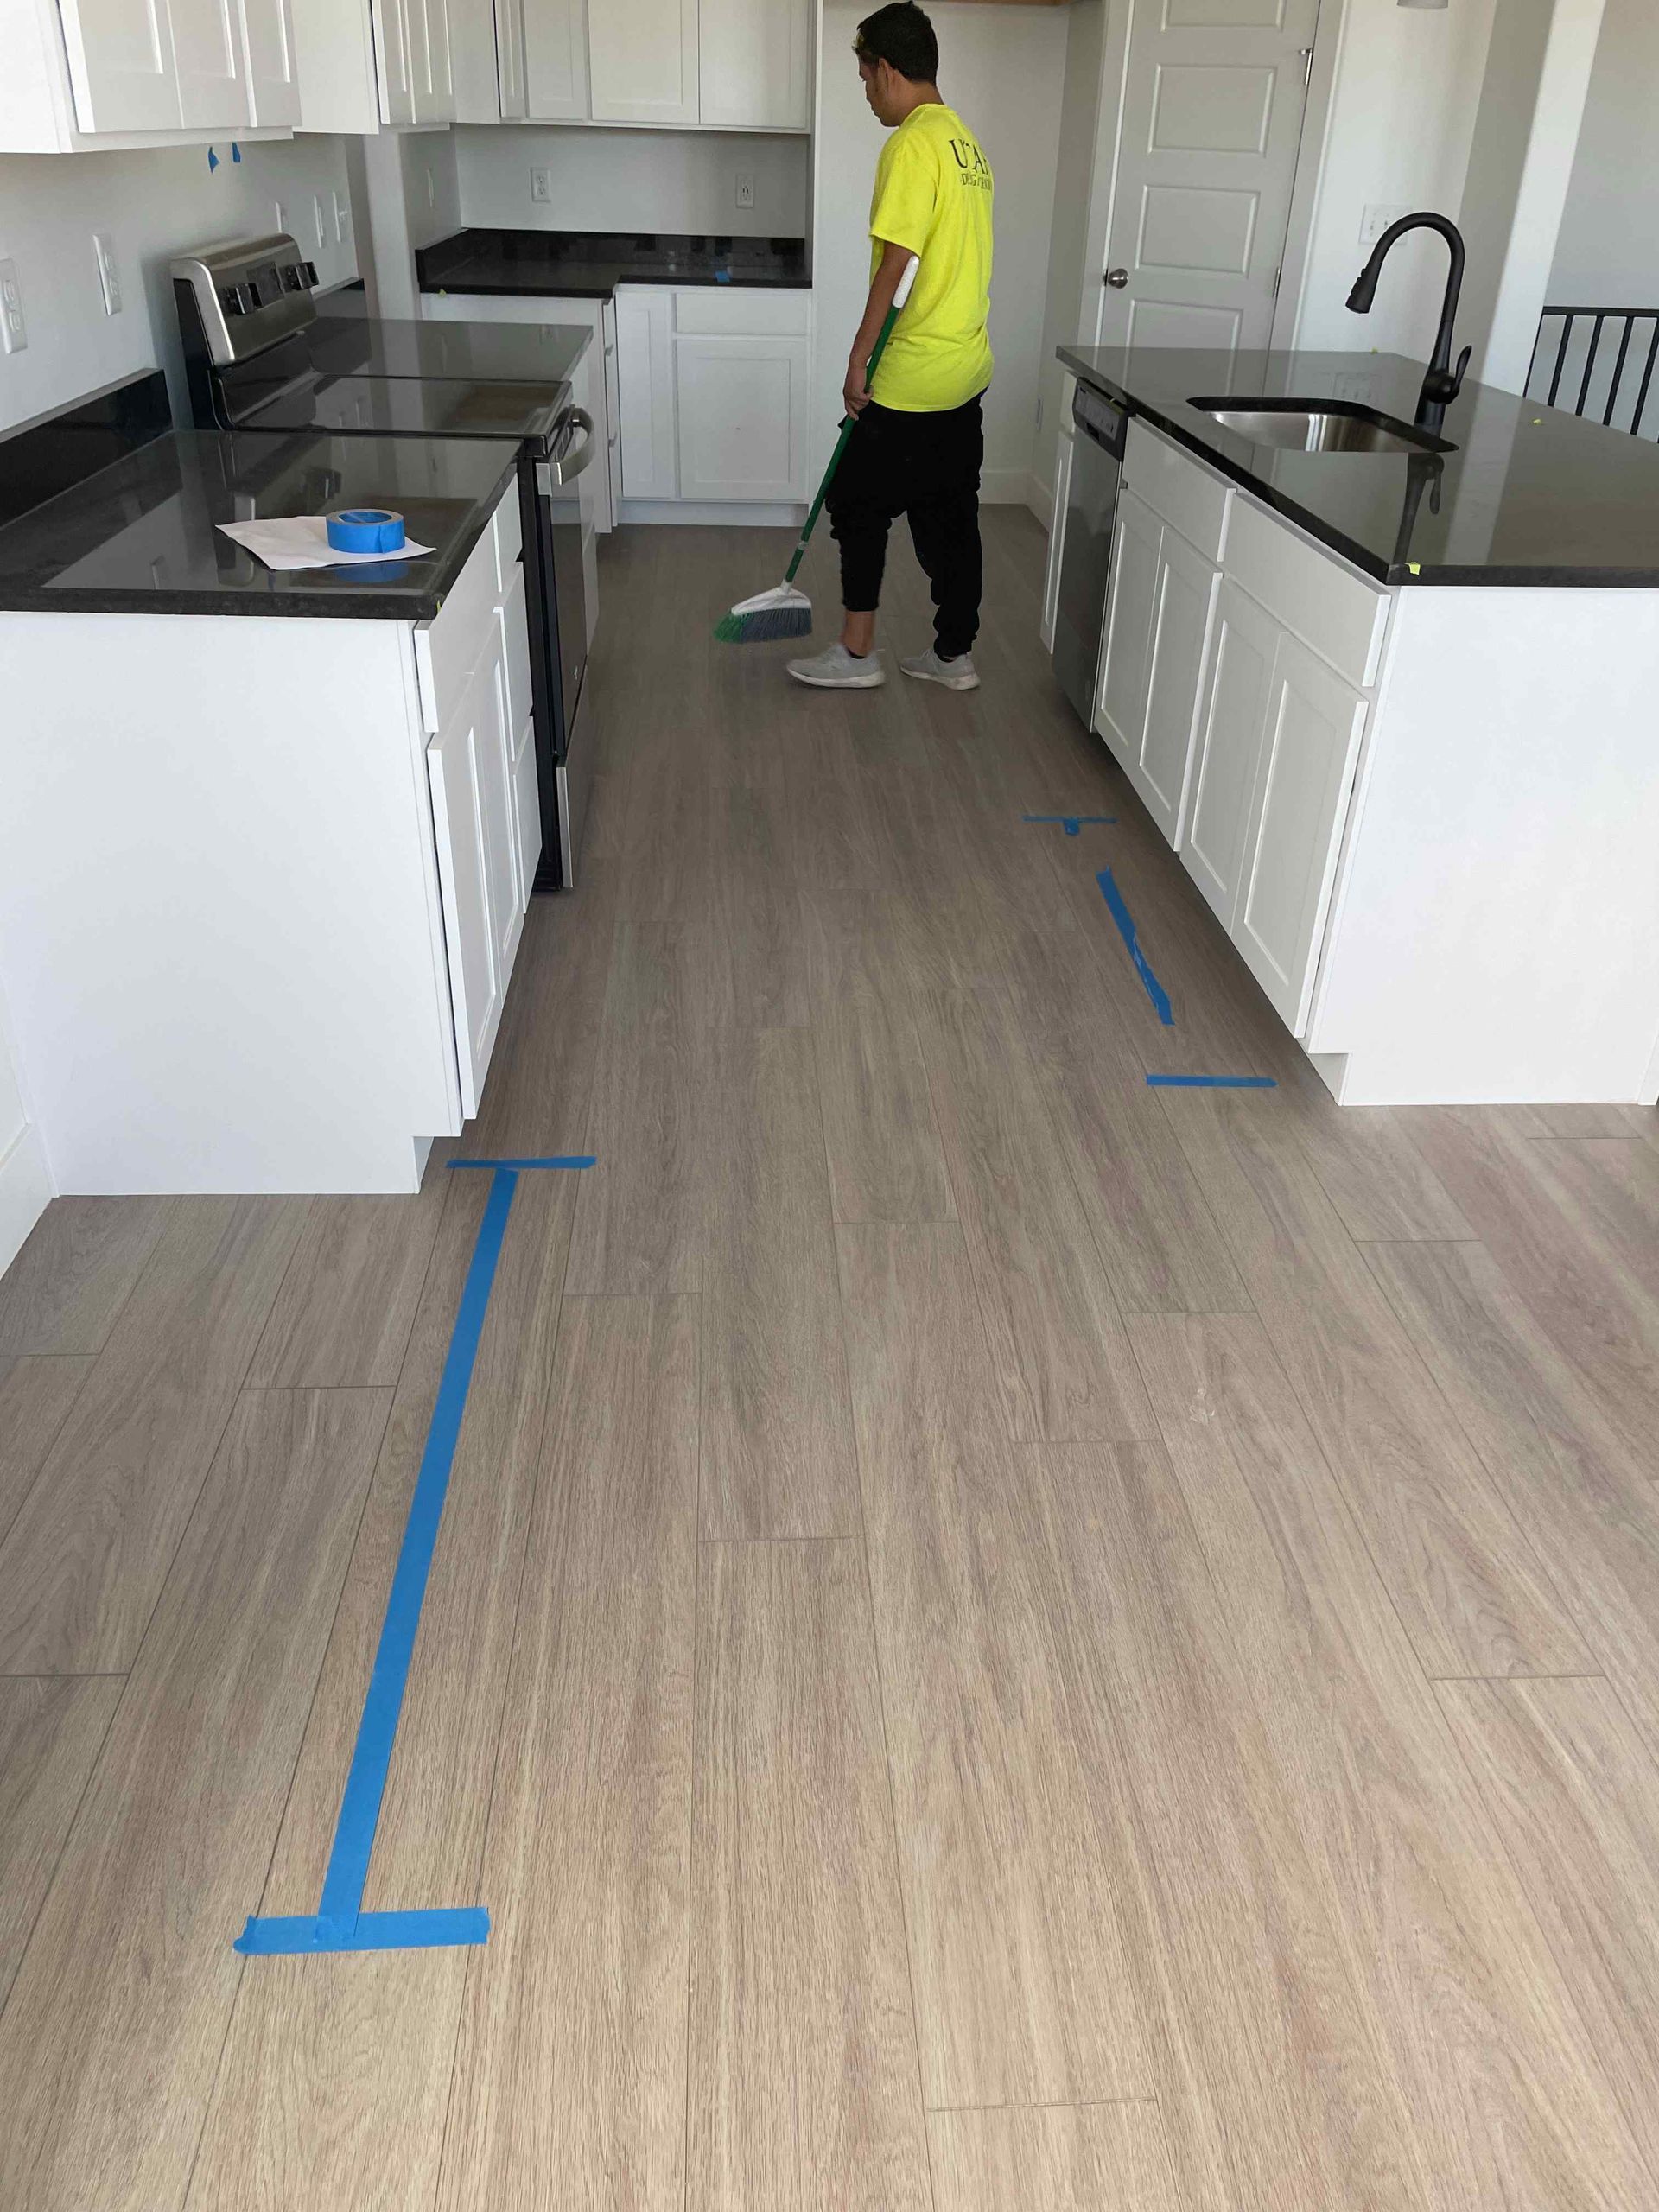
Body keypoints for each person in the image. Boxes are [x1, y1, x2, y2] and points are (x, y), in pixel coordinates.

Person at [788, 1, 994, 694]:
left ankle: (855, 655)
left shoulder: (910, 144)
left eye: (864, 76)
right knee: (951, 515)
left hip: (908, 376)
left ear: (887, 69)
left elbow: (898, 263)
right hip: (964, 371)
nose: (866, 92)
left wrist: (856, 358)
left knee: (856, 504)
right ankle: (953, 653)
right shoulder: (967, 145)